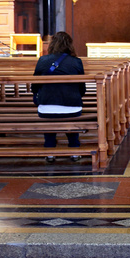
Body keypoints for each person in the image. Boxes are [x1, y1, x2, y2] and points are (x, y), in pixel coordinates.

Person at [32, 32, 86, 163]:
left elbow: (34, 86)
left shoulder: (42, 60)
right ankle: (74, 150)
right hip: (72, 107)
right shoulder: (76, 62)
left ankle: (50, 151)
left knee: (50, 119)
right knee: (71, 118)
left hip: (46, 107)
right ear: (70, 45)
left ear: (52, 44)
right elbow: (82, 89)